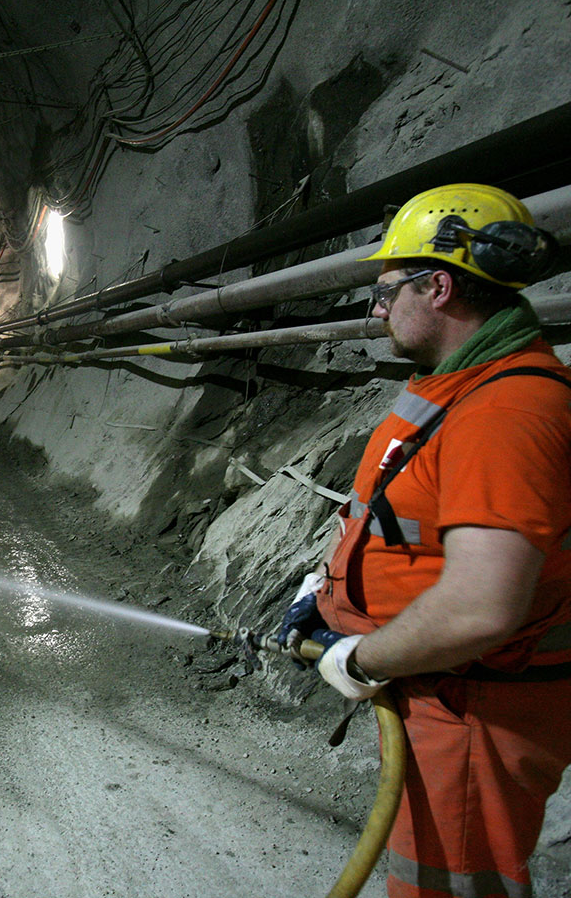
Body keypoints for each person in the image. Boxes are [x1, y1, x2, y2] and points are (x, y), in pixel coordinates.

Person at [277, 183, 571, 898]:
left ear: (437, 286)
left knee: (446, 884)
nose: (377, 311)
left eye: (386, 292)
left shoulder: (505, 411)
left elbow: (480, 608)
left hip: (476, 709)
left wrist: (363, 657)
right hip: (442, 694)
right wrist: (328, 589)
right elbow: (393, 516)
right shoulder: (453, 386)